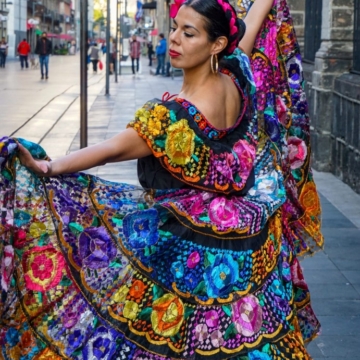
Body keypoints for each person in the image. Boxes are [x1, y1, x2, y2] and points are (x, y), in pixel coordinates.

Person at [0, 0, 324, 358]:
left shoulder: (172, 117)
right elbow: (245, 32)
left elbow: (110, 149)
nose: (174, 39)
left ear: (216, 44)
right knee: (231, 332)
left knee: (175, 328)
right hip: (246, 241)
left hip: (191, 243)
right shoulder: (236, 76)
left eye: (189, 33)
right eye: (174, 28)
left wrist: (50, 167)